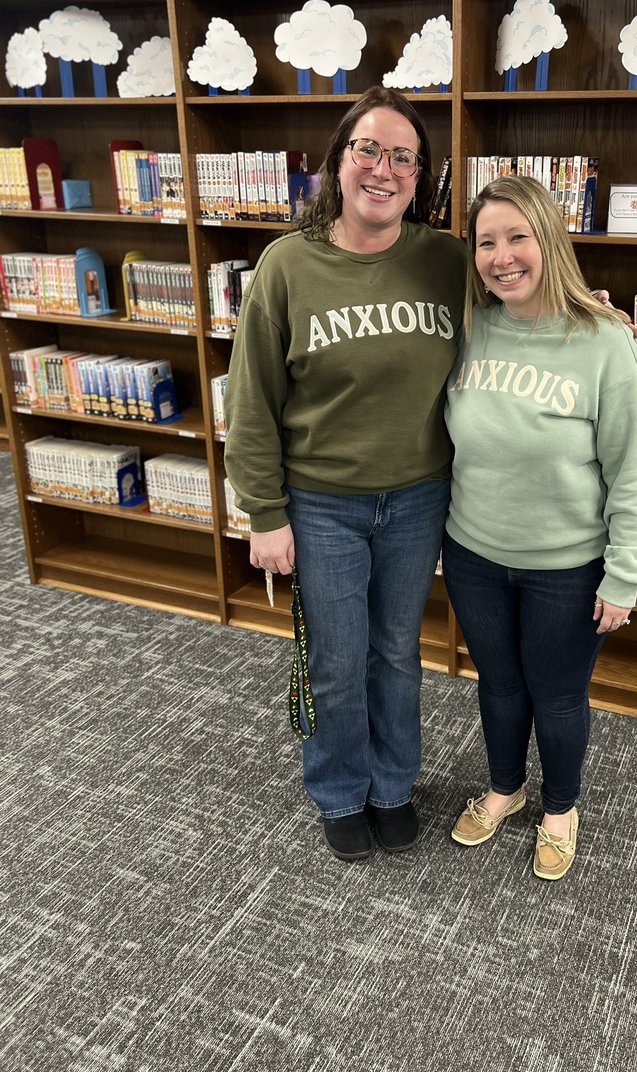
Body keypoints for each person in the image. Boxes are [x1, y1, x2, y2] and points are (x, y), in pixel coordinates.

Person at [224, 87, 466, 862]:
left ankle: (392, 785)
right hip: (321, 502)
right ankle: (337, 789)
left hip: (419, 497)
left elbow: (524, 303)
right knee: (335, 659)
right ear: (338, 161)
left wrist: (590, 313)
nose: (383, 169)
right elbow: (252, 402)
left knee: (395, 653)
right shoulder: (287, 265)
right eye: (368, 149)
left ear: (420, 176)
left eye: (403, 157)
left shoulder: (446, 260)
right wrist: (263, 514)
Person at [442, 175, 637, 881]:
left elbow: (632, 472)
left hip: (569, 567)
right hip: (472, 552)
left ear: (550, 241)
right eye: (486, 242)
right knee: (499, 684)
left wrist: (625, 576)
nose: (501, 257)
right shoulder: (467, 326)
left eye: (518, 237)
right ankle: (506, 788)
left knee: (557, 694)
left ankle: (561, 809)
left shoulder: (605, 342)